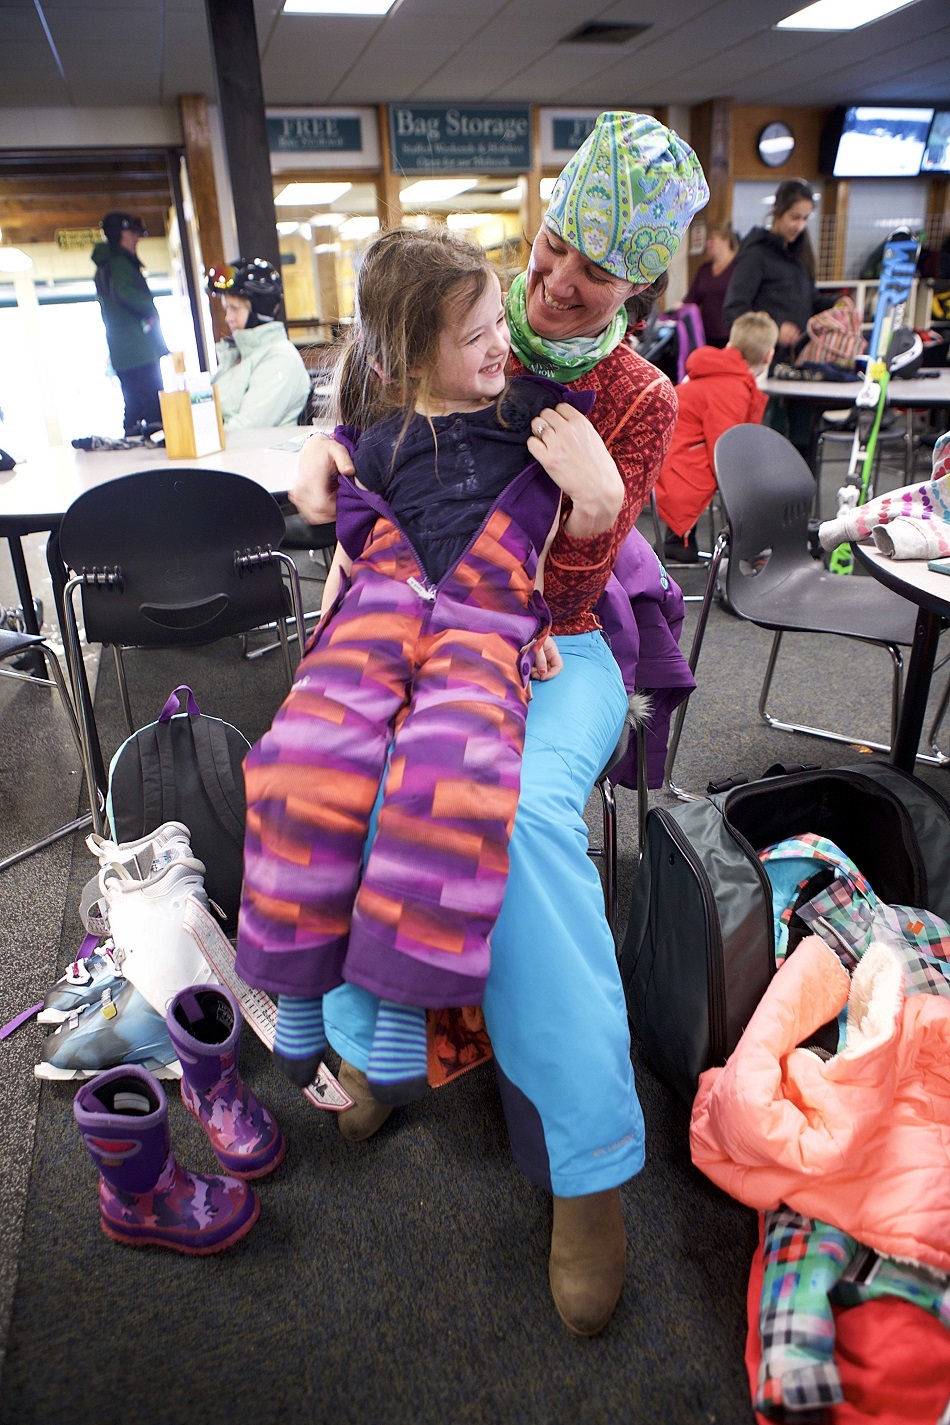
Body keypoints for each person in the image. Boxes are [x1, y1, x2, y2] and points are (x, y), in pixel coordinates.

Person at [288, 111, 708, 1338]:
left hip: (554, 643)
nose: (557, 282)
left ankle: (587, 1175)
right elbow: (363, 431)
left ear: (643, 281)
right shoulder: (447, 304)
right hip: (413, 613)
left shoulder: (633, 394)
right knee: (337, 764)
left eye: (596, 268)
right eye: (555, 244)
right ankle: (370, 1039)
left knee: (511, 810)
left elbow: (570, 600)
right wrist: (322, 467)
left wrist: (588, 513)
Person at [236, 226, 583, 1106]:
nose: (503, 342)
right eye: (476, 336)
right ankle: (301, 985)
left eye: (500, 320)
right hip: (387, 601)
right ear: (406, 359)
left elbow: (580, 514)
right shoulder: (376, 439)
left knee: (452, 763)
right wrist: (317, 461)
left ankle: (402, 1006)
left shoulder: (529, 413)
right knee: (299, 750)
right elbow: (327, 485)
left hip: (481, 612)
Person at [722, 178, 835, 460]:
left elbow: (808, 301)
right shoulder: (756, 255)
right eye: (794, 217)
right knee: (769, 454)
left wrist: (838, 304)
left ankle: (800, 506)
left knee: (802, 449)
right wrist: (772, 330)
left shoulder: (799, 256)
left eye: (805, 218)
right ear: (777, 212)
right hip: (768, 374)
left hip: (800, 370)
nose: (799, 225)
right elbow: (734, 310)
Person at [654, 310, 777, 562]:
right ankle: (749, 553)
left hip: (666, 458)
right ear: (769, 355)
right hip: (674, 467)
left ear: (731, 345)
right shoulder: (731, 388)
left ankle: (680, 541)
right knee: (750, 478)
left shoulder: (718, 374)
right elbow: (726, 451)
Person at [206, 258, 311, 429]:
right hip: (232, 454)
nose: (228, 318)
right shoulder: (238, 356)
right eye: (227, 308)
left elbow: (247, 428)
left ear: (259, 312)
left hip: (261, 454)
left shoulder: (280, 359)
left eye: (235, 308)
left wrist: (201, 439)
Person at [92, 212, 168, 437]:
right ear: (122, 234)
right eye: (133, 234)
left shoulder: (106, 265)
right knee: (155, 412)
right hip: (138, 351)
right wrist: (150, 308)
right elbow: (125, 293)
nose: (137, 239)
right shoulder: (119, 263)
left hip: (124, 352)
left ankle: (134, 453)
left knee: (134, 411)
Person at [682, 222, 739, 347]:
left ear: (725, 241)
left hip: (732, 336)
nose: (708, 244)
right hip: (705, 336)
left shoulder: (739, 268)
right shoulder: (704, 269)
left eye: (712, 240)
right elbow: (692, 298)